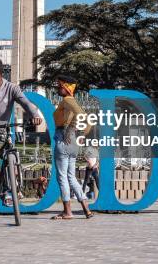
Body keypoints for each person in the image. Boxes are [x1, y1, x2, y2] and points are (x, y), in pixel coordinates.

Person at [51, 75, 93, 220]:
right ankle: (86, 209)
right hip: (73, 142)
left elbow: (81, 115)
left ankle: (67, 212)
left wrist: (69, 130)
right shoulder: (72, 100)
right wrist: (79, 133)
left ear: (66, 87)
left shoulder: (67, 100)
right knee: (71, 177)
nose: (58, 88)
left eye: (59, 85)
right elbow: (88, 122)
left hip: (63, 139)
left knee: (62, 177)